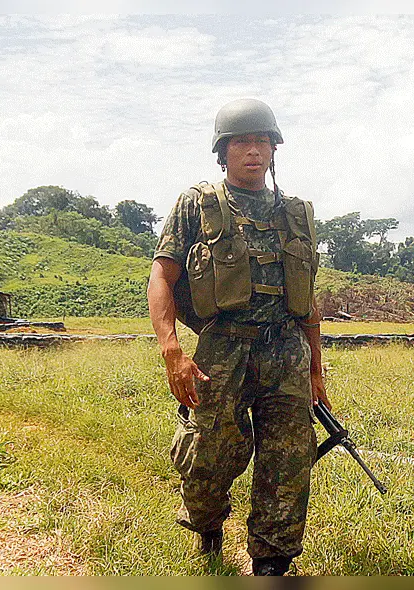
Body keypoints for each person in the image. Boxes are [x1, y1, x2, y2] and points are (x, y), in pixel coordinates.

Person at [147, 98, 330, 576]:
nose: (255, 150)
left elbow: (307, 294)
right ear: (222, 151)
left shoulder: (296, 213)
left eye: (263, 141)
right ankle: (206, 524)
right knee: (209, 455)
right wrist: (172, 349)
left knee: (289, 460)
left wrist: (315, 365)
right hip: (222, 349)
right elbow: (162, 276)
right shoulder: (198, 205)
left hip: (285, 347)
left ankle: (272, 562)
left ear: (275, 149)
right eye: (242, 142)